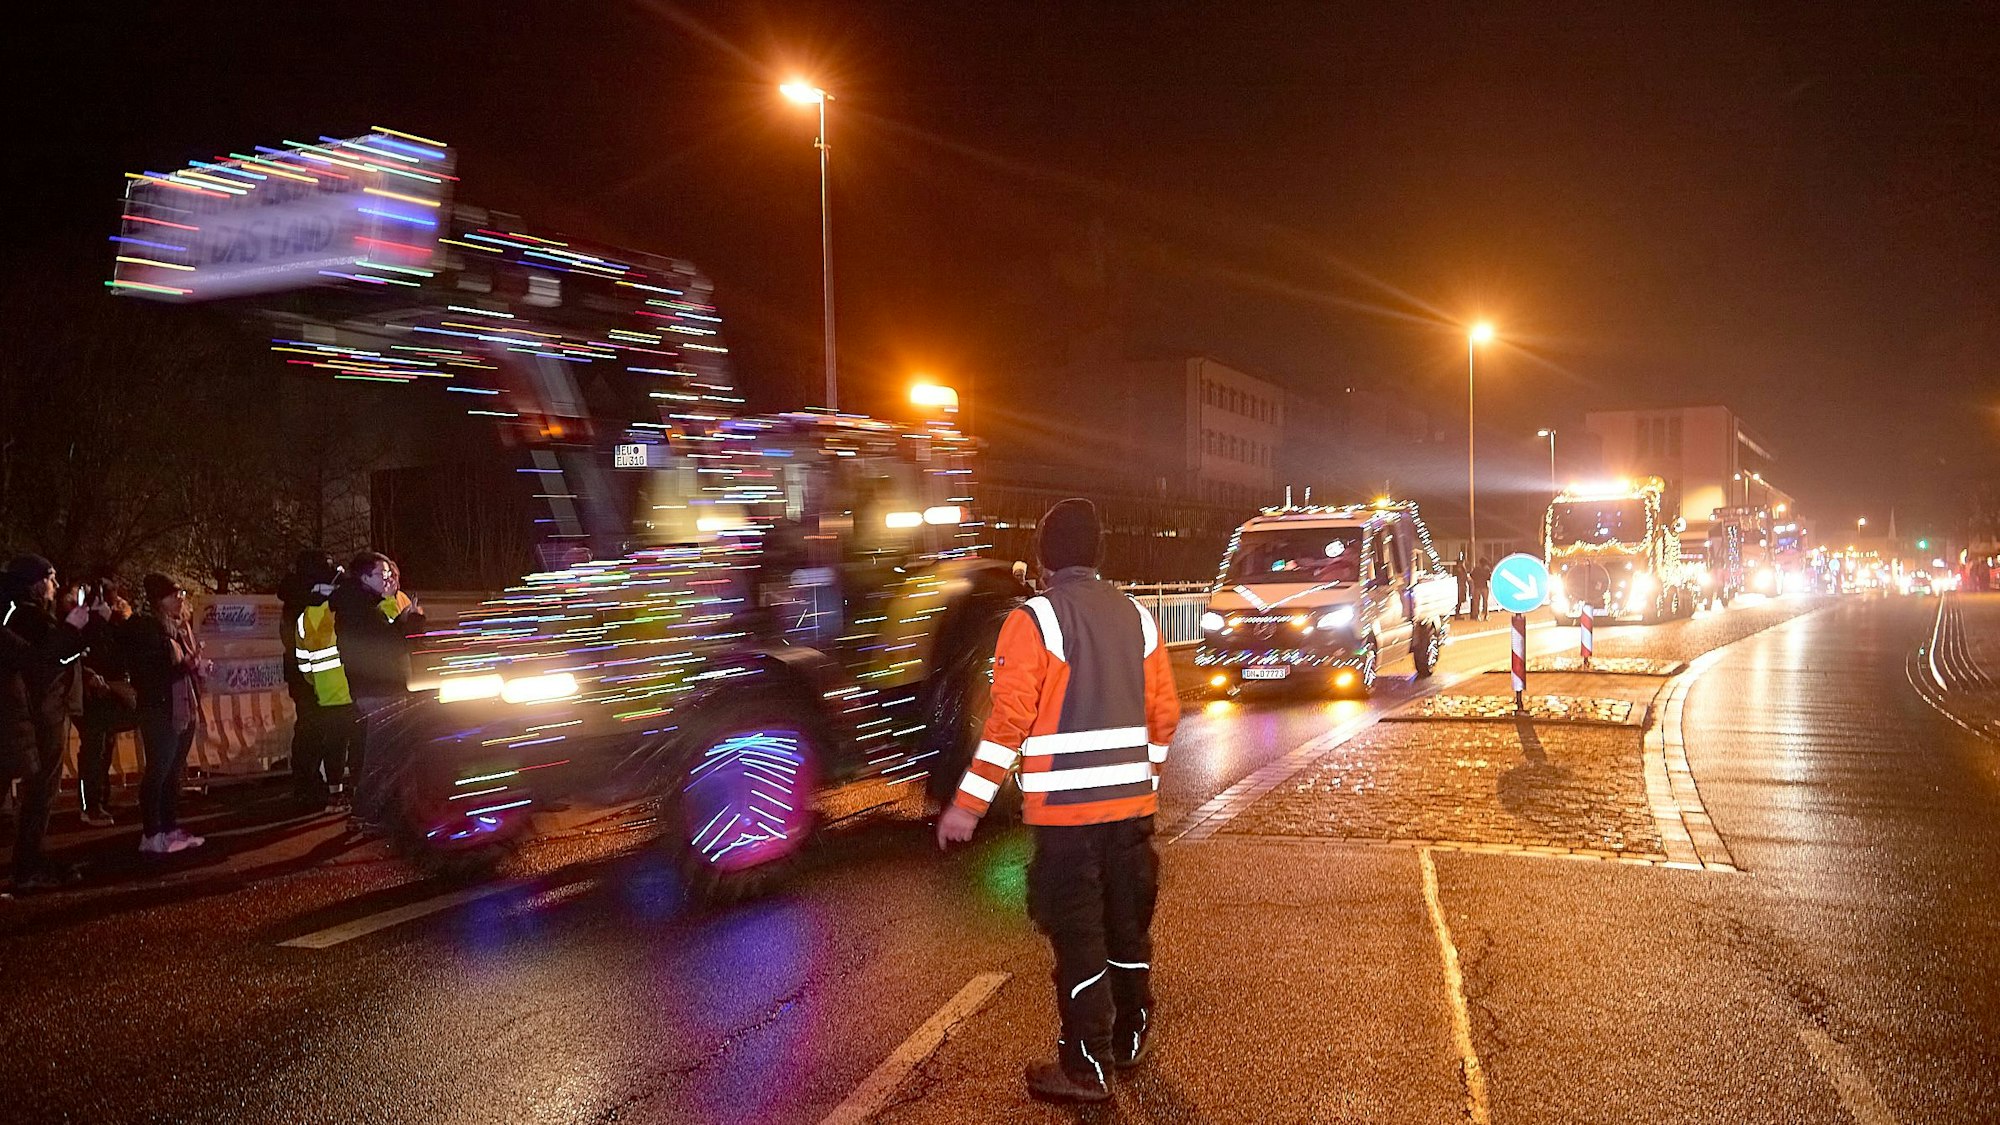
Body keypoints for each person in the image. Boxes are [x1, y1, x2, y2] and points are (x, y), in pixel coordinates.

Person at [936, 499, 1181, 1103]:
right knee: (1127, 928)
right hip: (1131, 814)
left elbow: (1007, 723)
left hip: (1066, 823)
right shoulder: (1139, 618)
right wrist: (1143, 780)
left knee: (1079, 941)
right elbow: (1165, 716)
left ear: (1044, 556)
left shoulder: (1034, 621)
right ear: (1098, 554)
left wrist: (967, 805)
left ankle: (1085, 1067)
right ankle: (1130, 1035)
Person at [0, 555, 95, 892]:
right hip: (35, 714)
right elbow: (45, 662)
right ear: (35, 582)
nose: (55, 587)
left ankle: (30, 861)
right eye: (51, 579)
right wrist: (74, 630)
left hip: (37, 712)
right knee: (39, 791)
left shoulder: (25, 613)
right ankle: (26, 866)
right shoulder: (22, 614)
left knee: (39, 792)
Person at [333, 551, 426, 835]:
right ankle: (367, 814)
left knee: (383, 754)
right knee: (381, 756)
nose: (388, 580)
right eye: (381, 574)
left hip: (376, 688)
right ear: (364, 577)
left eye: (390, 574)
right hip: (378, 689)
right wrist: (410, 624)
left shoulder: (361, 603)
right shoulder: (359, 607)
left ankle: (372, 812)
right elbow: (386, 645)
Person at [127, 574, 206, 855]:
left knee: (173, 774)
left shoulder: (180, 629)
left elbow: (181, 666)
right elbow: (151, 674)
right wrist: (186, 666)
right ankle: (152, 833)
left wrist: (196, 668)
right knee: (158, 773)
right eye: (174, 595)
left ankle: (170, 828)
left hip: (182, 707)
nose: (180, 599)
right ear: (158, 600)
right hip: (160, 709)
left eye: (181, 593)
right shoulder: (147, 630)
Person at [280, 551, 356, 812]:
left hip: (311, 681)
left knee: (316, 735)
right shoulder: (302, 602)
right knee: (312, 735)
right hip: (312, 683)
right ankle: (309, 789)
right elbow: (298, 647)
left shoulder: (299, 598)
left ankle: (313, 788)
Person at [74, 575, 137, 827]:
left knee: (104, 746)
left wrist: (111, 618)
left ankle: (101, 800)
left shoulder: (110, 619)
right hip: (90, 694)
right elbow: (75, 650)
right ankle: (89, 806)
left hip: (108, 691)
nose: (116, 596)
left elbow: (124, 644)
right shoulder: (83, 619)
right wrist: (89, 674)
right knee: (92, 750)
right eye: (111, 591)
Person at [1470, 555, 1494, 620]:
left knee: (1476, 602)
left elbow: (1471, 575)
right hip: (1484, 587)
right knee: (1485, 602)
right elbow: (1489, 578)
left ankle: (1477, 615)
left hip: (1477, 587)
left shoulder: (1476, 569)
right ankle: (1485, 615)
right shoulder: (1486, 569)